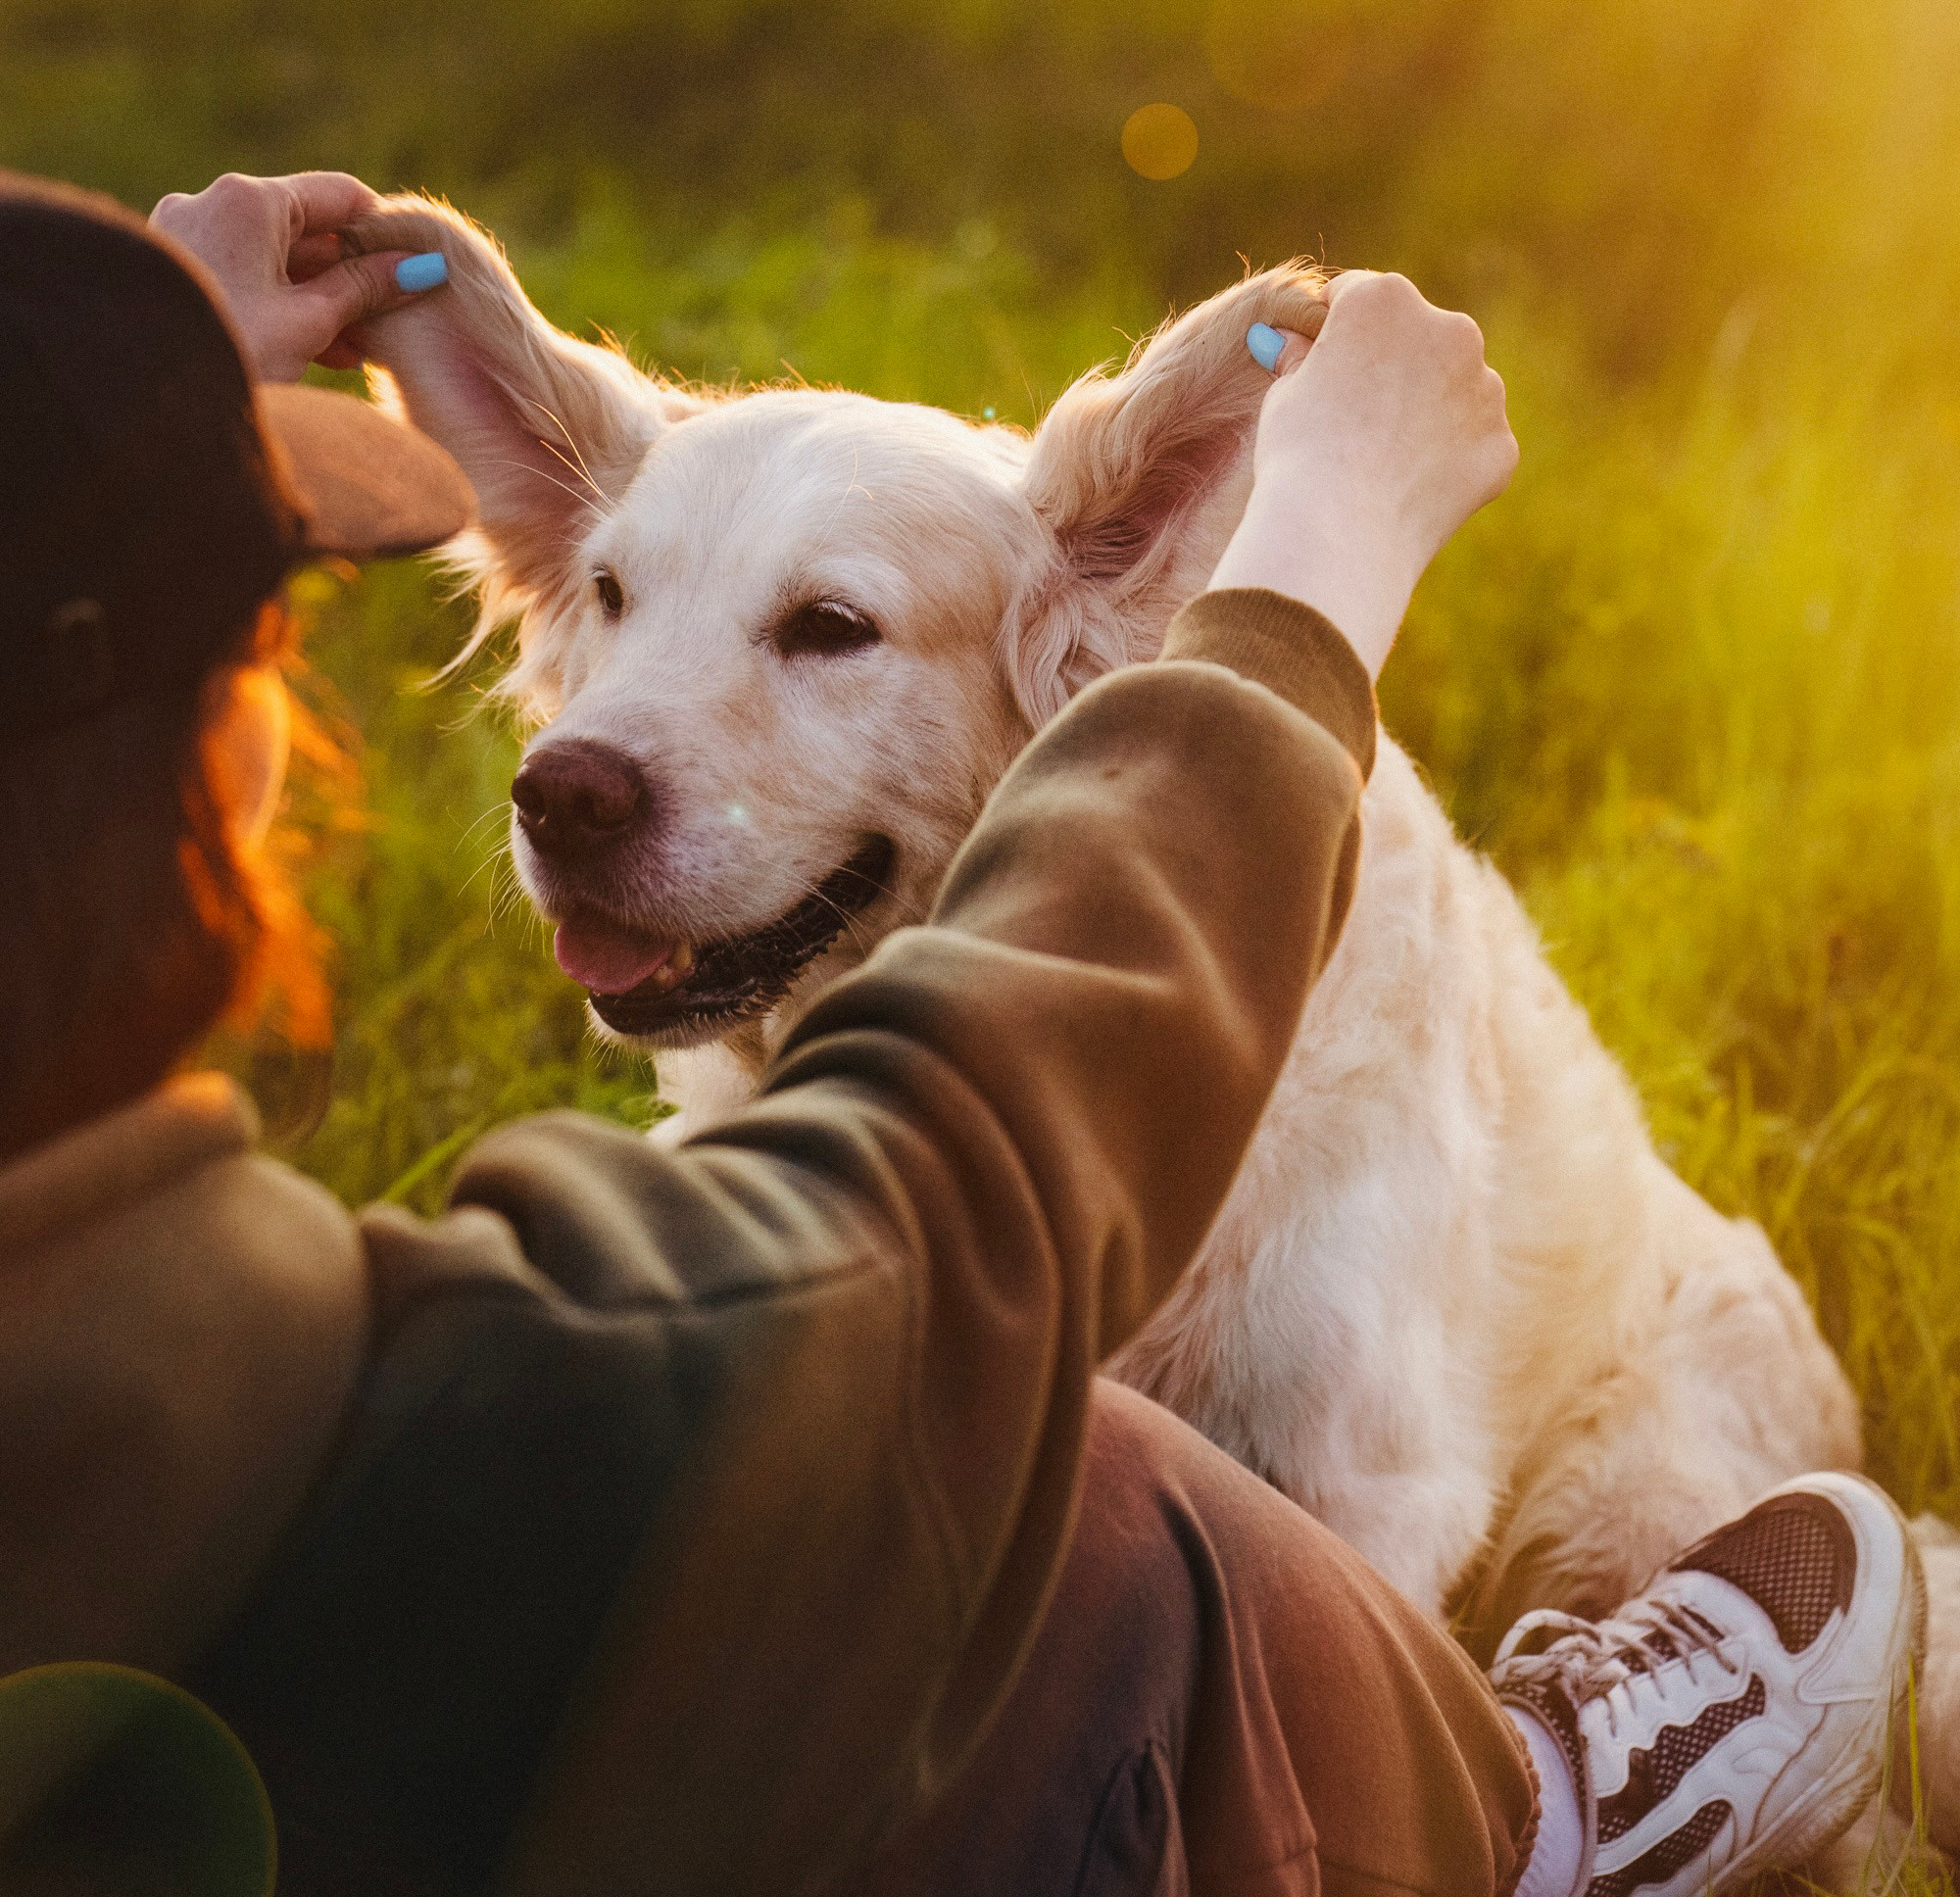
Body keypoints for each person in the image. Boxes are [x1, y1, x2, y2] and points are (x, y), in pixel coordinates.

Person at [0, 168, 1923, 1897]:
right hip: (1099, 1717)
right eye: (609, 601)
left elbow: (1312, 1451)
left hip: (1629, 1427)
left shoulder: (168, 1324)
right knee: (1081, 1498)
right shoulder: (391, 1400)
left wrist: (92, 424)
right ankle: (1552, 1816)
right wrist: (1315, 568)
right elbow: (926, 1236)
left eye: (819, 632)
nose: (583, 746)